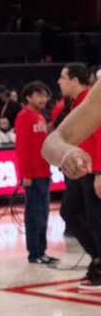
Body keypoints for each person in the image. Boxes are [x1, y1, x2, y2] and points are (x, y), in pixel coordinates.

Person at [44, 64, 101, 290]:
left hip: (92, 169)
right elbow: (53, 141)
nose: (59, 82)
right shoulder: (79, 103)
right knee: (71, 212)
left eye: (63, 77)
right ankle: (97, 258)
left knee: (95, 218)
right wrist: (65, 152)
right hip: (82, 167)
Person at [16, 81, 58, 265]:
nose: (44, 99)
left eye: (45, 95)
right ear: (28, 97)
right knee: (34, 215)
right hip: (32, 175)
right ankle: (34, 253)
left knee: (43, 214)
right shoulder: (24, 117)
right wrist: (25, 173)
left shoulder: (39, 117)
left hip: (43, 172)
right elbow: (22, 147)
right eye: (39, 95)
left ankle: (42, 251)